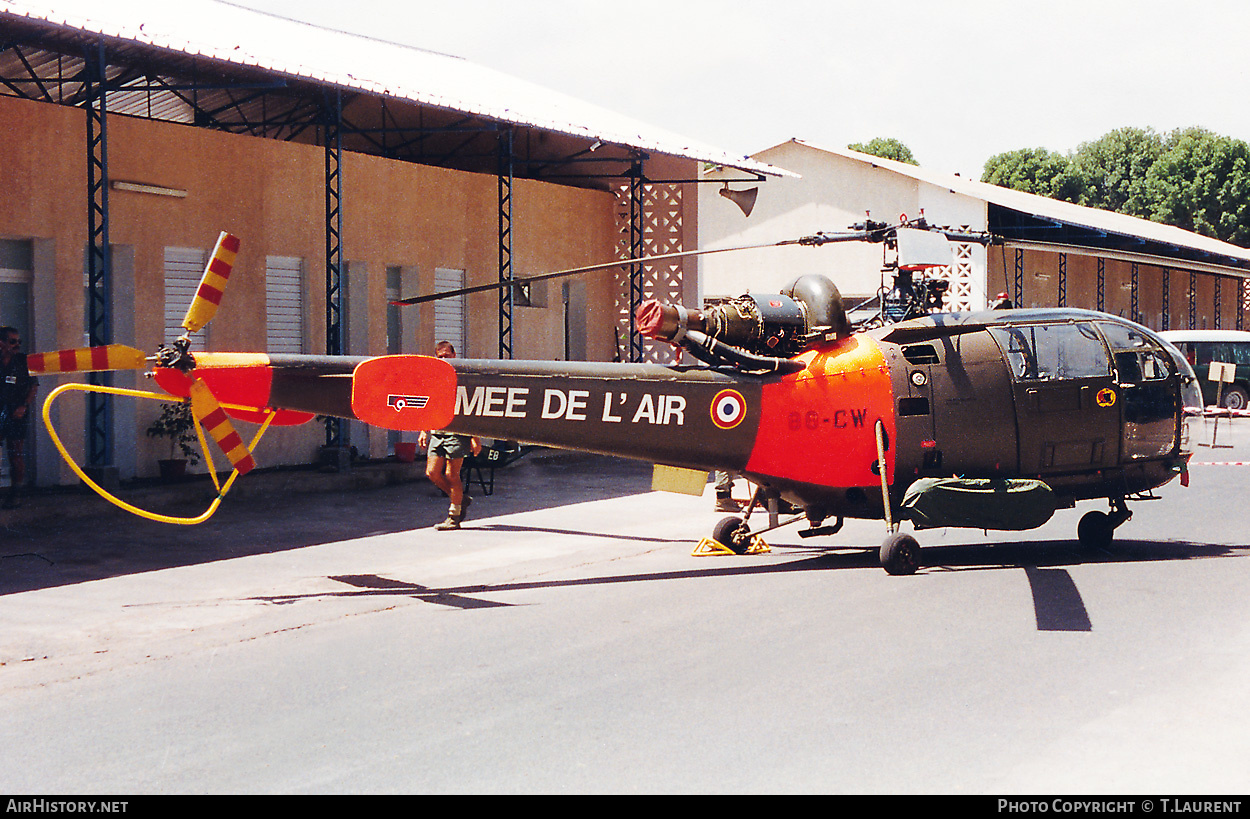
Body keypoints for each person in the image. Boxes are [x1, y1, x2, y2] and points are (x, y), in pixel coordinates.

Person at [418, 341, 482, 530]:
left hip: (457, 432)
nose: (444, 359)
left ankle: (453, 517)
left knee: (451, 474)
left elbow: (470, 409)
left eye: (447, 355)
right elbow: (427, 405)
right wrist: (423, 430)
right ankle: (461, 499)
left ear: (454, 355)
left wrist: (475, 438)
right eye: (440, 356)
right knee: (432, 472)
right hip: (438, 432)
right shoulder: (434, 377)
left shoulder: (462, 377)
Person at [0, 326, 37, 509]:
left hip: (17, 412)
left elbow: (33, 386)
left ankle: (16, 493)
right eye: (12, 341)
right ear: (1, 343)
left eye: (18, 342)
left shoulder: (23, 361)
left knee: (15, 453)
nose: (17, 345)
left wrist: (24, 406)